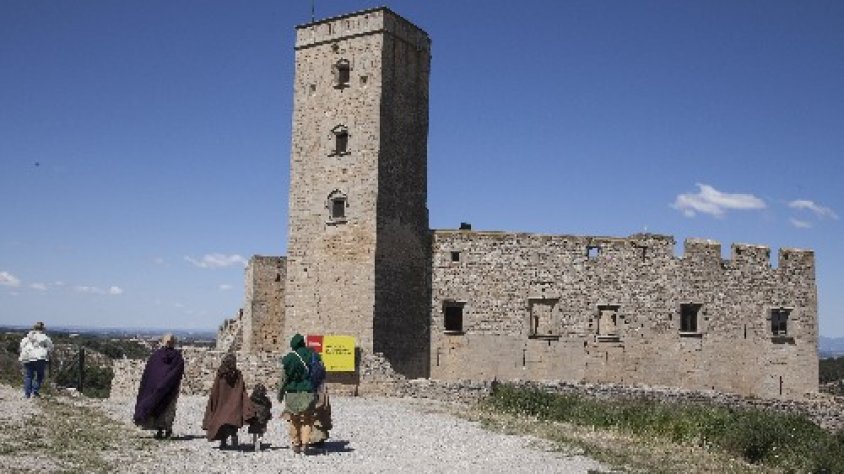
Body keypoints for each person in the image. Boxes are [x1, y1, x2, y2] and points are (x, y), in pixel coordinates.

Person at [133, 333, 185, 439]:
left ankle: (159, 430)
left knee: (157, 406)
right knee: (168, 409)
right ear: (174, 343)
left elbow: (149, 374)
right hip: (170, 388)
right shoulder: (178, 357)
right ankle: (168, 430)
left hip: (155, 389)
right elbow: (178, 372)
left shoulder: (156, 356)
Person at [202, 353, 256, 450]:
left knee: (221, 421)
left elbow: (216, 389)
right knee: (232, 421)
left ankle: (223, 442)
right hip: (234, 403)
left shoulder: (221, 374)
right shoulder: (237, 374)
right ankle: (234, 442)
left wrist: (213, 402)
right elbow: (242, 389)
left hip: (222, 403)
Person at [280, 333, 319, 454]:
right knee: (307, 419)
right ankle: (305, 442)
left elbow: (284, 378)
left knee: (294, 419)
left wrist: (280, 393)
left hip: (292, 393)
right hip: (308, 392)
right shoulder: (313, 354)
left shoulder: (289, 358)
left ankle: (296, 443)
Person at [18, 321, 54, 399]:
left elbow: (21, 346)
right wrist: (46, 351)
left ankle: (27, 394)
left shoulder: (27, 337)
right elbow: (51, 347)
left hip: (27, 357)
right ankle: (35, 391)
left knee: (29, 376)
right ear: (43, 329)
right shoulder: (45, 337)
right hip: (40, 358)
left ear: (34, 328)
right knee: (40, 375)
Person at [247, 383, 272, 452]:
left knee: (255, 432)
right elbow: (269, 406)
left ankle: (254, 444)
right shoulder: (266, 400)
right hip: (263, 418)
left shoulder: (251, 399)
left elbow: (248, 408)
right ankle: (258, 443)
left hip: (254, 418)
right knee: (261, 432)